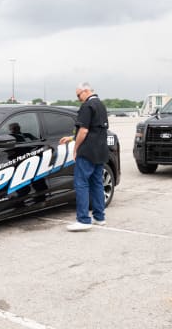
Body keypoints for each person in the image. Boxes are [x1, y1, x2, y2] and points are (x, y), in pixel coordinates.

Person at [60, 82, 109, 232]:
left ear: (86, 91)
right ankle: (99, 217)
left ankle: (83, 220)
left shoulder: (87, 106)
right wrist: (71, 138)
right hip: (100, 151)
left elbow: (84, 130)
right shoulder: (101, 105)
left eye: (78, 95)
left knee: (81, 184)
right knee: (97, 184)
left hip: (87, 151)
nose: (78, 98)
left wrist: (75, 148)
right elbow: (95, 128)